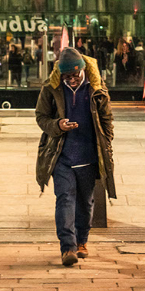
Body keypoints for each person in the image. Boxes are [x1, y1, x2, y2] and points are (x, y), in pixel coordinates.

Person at [34, 48, 117, 267]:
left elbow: (107, 117)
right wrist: (57, 125)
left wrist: (107, 142)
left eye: (74, 75)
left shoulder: (96, 89)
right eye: (66, 77)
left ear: (82, 70)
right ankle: (67, 248)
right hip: (61, 156)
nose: (71, 80)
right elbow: (41, 117)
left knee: (86, 203)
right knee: (65, 199)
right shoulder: (50, 88)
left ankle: (82, 241)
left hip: (88, 156)